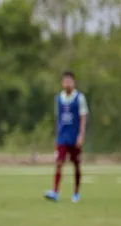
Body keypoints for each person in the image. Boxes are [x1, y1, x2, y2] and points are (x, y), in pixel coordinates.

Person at [45, 71, 88, 203]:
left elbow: (83, 118)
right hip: (62, 137)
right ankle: (55, 192)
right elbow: (58, 118)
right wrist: (56, 136)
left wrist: (81, 135)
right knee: (58, 163)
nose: (67, 84)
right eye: (65, 81)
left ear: (74, 83)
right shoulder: (58, 98)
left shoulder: (79, 98)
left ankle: (76, 193)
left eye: (70, 81)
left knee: (76, 164)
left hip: (74, 137)